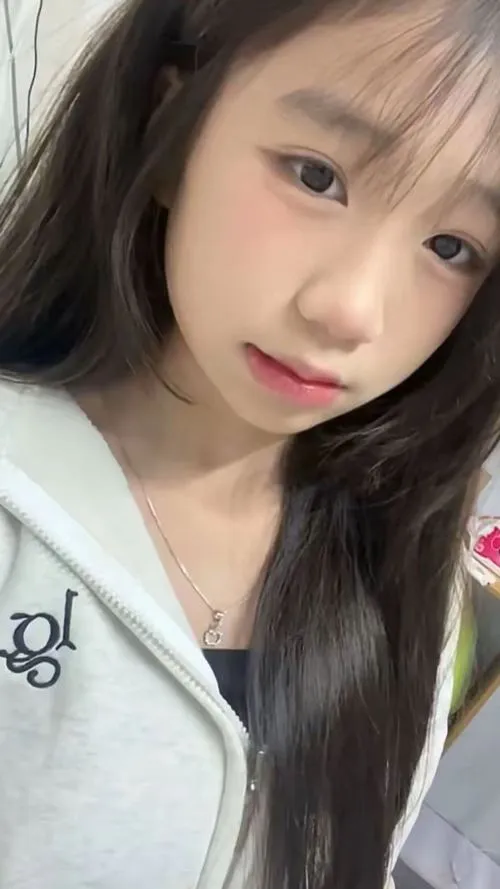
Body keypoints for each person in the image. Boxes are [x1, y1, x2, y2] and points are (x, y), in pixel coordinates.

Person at [0, 0, 498, 886]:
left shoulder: (402, 568)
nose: (350, 309)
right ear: (172, 125)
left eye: (451, 246)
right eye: (315, 176)